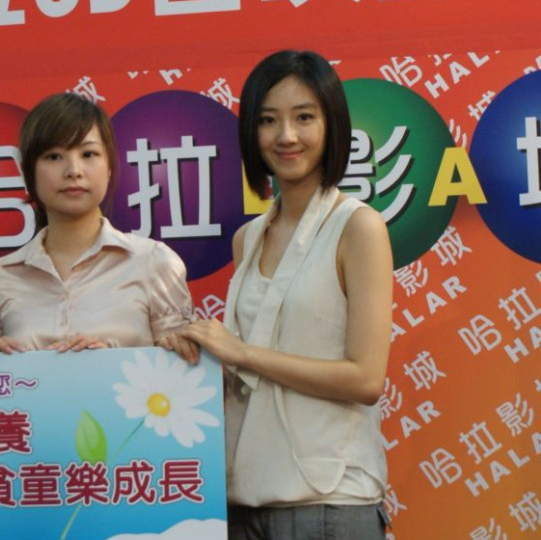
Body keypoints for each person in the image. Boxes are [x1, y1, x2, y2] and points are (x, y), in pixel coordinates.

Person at [179, 50, 393, 539]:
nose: (286, 136)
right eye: (268, 120)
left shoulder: (358, 227)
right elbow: (240, 369)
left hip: (329, 503)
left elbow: (366, 378)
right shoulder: (248, 238)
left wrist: (242, 353)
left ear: (332, 125)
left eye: (304, 117)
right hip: (243, 499)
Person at [0, 93, 196, 357]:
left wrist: (112, 363)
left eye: (89, 154)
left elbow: (188, 369)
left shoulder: (153, 262)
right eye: (54, 156)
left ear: (109, 167)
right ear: (28, 172)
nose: (74, 170)